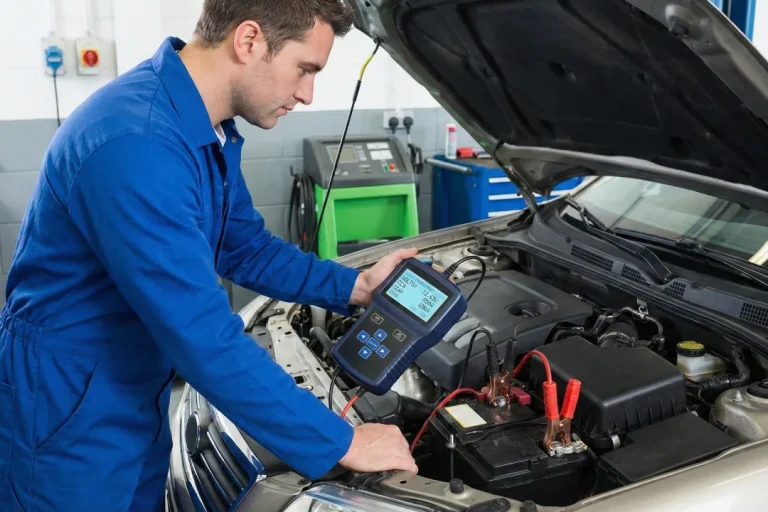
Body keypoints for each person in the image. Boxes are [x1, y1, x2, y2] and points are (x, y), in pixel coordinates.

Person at [0, 0, 420, 510]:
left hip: (130, 390)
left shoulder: (201, 128)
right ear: (248, 41)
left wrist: (353, 288)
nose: (308, 94)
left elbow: (242, 246)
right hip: (67, 413)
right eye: (305, 69)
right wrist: (344, 441)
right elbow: (202, 337)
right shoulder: (137, 142)